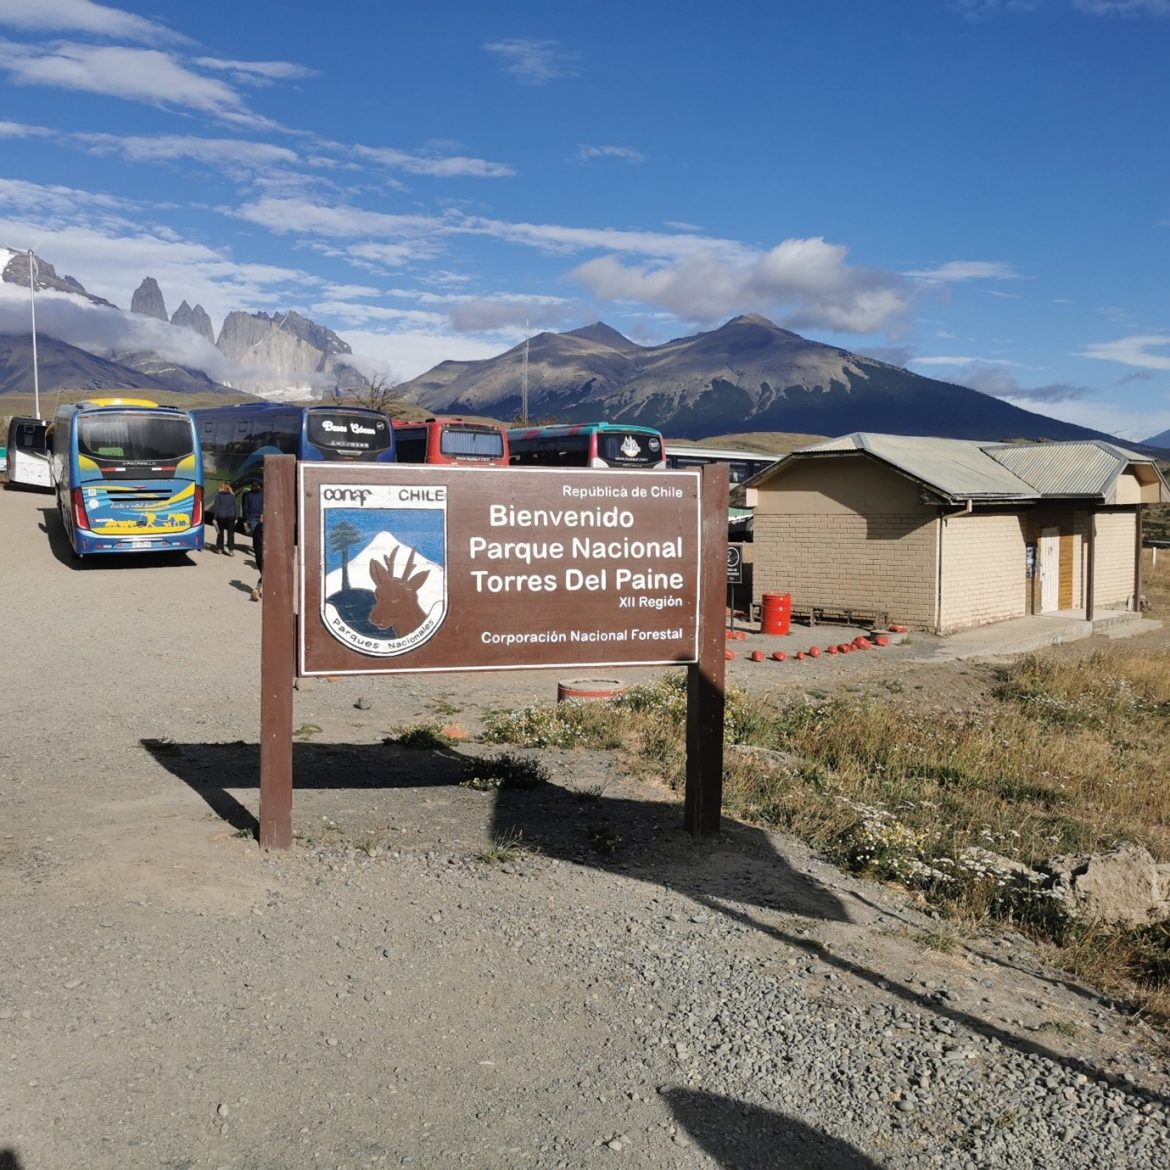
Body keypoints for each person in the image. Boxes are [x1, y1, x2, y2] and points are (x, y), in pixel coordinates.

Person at [213, 482, 237, 555]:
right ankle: (231, 550)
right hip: (231, 516)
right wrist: (236, 517)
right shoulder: (232, 496)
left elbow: (216, 507)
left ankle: (220, 549)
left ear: (221, 487)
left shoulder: (218, 495)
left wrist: (215, 518)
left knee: (220, 533)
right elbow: (235, 507)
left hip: (221, 516)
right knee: (231, 534)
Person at [250, 513, 264, 601]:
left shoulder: (257, 528)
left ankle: (258, 589)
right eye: (261, 517)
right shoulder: (262, 529)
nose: (260, 518)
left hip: (258, 555)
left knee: (264, 574)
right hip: (262, 555)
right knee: (266, 574)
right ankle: (257, 590)